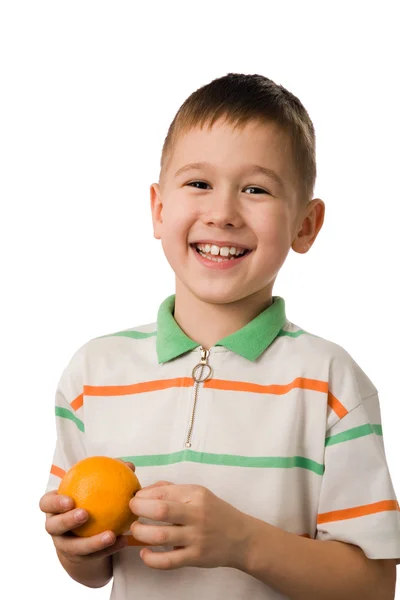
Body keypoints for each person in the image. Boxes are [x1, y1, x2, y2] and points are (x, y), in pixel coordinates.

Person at [39, 72, 400, 600]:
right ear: (159, 209)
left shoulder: (331, 381)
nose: (224, 213)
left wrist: (244, 543)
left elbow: (372, 585)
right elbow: (95, 571)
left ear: (306, 225)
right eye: (199, 184)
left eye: (256, 189)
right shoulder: (93, 375)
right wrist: (74, 548)